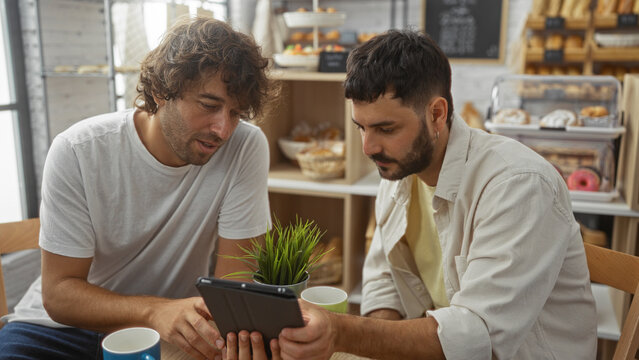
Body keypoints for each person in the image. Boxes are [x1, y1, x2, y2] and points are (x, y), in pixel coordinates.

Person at [229, 28, 598, 360]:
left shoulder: (518, 185)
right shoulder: (399, 172)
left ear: (437, 114)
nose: (368, 147)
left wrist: (343, 332)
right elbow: (383, 281)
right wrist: (376, 347)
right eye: (361, 127)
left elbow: (478, 337)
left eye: (386, 128)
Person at [0, 17, 274, 360]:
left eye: (236, 113)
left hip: (171, 330)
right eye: (208, 105)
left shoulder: (244, 147)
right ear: (161, 91)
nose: (223, 130)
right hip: (57, 331)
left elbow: (234, 286)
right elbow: (58, 295)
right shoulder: (78, 150)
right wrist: (152, 310)